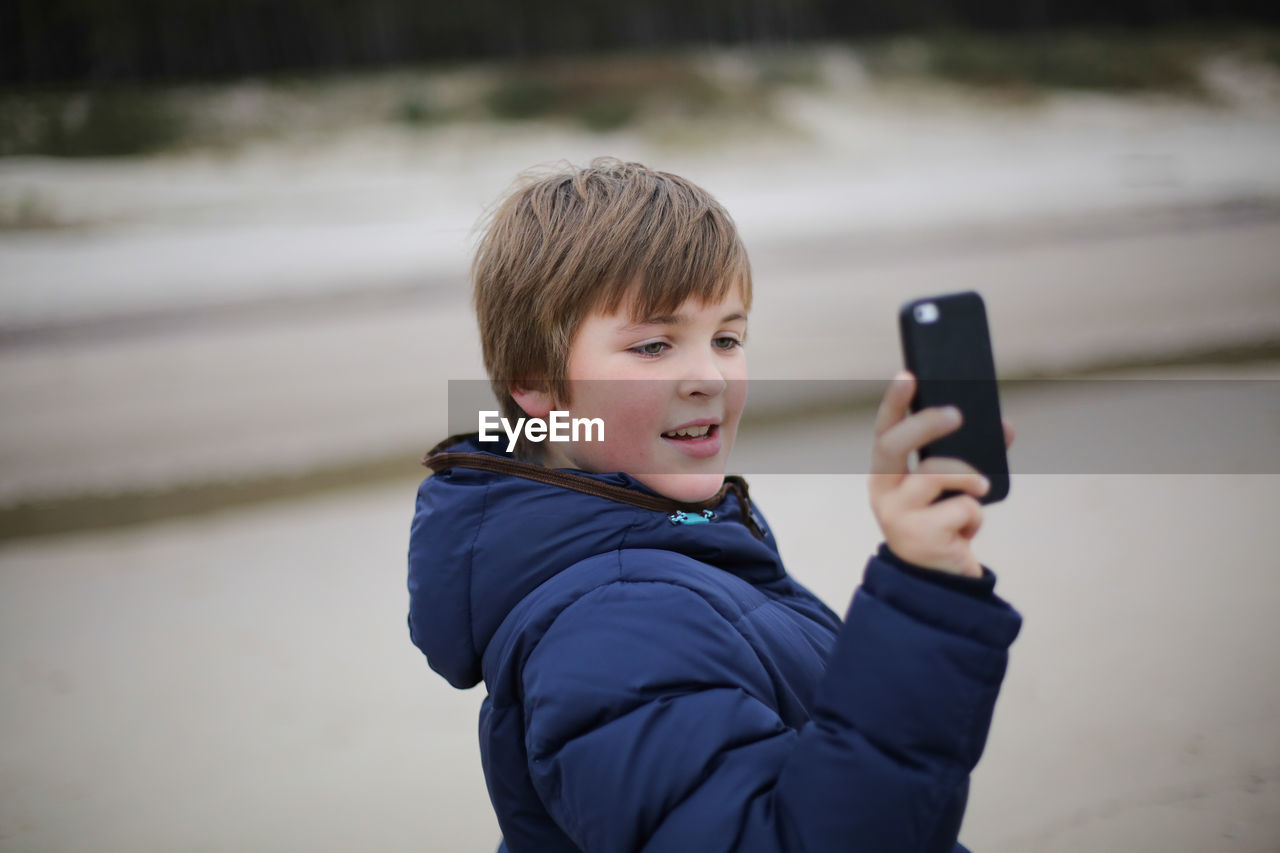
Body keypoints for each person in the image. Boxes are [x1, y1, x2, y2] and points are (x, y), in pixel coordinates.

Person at [407, 158, 1021, 852]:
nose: (710, 377)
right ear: (536, 386)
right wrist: (919, 603)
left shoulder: (675, 550)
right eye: (654, 344)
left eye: (727, 337)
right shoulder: (612, 625)